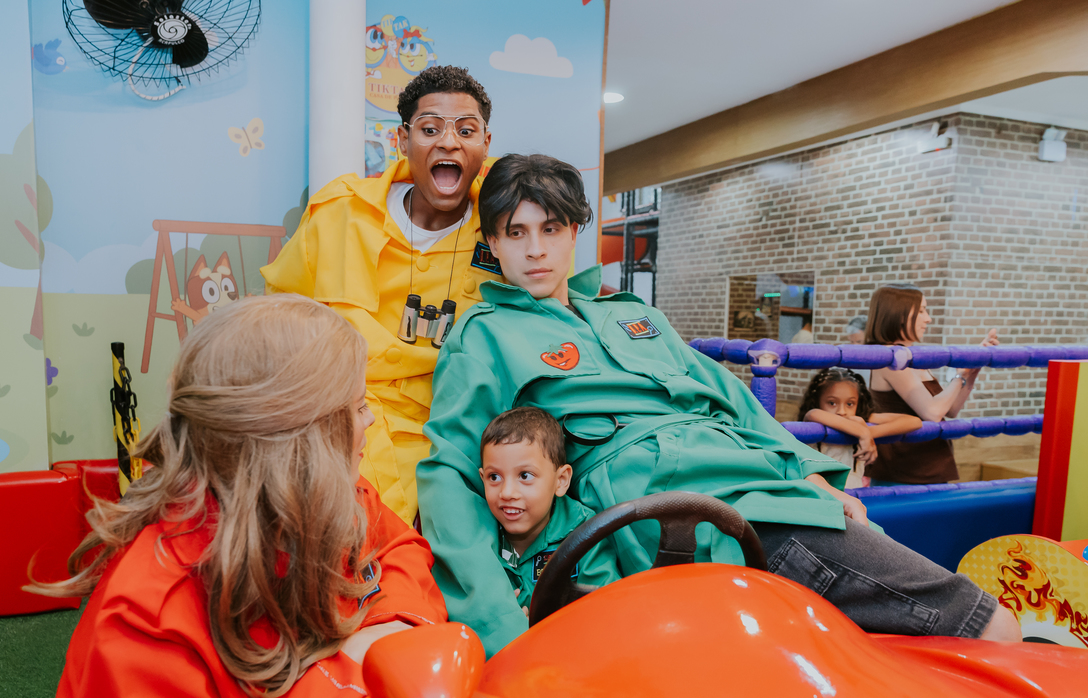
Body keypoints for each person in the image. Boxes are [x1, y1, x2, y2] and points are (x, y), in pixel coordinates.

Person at [417, 153, 1020, 656]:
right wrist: (497, 633)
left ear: (576, 230)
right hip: (677, 506)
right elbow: (451, 472)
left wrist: (809, 478)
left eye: (550, 229)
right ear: (491, 241)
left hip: (753, 477)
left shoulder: (631, 312)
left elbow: (731, 396)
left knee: (901, 641)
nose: (535, 250)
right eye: (515, 232)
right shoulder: (485, 333)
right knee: (986, 624)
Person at [24, 295, 447, 698]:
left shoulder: (331, 497)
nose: (371, 421)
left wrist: (393, 625)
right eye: (358, 407)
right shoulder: (149, 616)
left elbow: (400, 548)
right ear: (300, 445)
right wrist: (344, 674)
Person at [261, 65, 497, 525]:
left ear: (485, 144)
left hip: (458, 430)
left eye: (465, 130)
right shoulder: (340, 213)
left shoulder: (510, 228)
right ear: (402, 141)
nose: (449, 143)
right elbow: (278, 316)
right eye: (430, 129)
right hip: (339, 423)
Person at [479, 407, 622, 616]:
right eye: (494, 477)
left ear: (561, 480)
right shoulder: (480, 534)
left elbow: (607, 606)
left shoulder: (585, 533)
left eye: (525, 475)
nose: (507, 492)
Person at [863, 283, 998, 485]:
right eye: (921, 311)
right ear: (899, 314)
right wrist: (960, 375)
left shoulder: (912, 357)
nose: (928, 318)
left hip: (926, 466)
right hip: (905, 473)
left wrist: (972, 371)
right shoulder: (891, 357)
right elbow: (933, 413)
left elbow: (950, 409)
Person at [797, 367, 922, 489]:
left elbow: (914, 421)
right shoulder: (815, 422)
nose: (842, 411)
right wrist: (862, 433)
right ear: (816, 401)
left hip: (854, 499)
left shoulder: (859, 419)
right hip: (821, 499)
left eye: (850, 404)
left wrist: (869, 432)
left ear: (858, 403)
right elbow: (813, 413)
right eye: (832, 403)